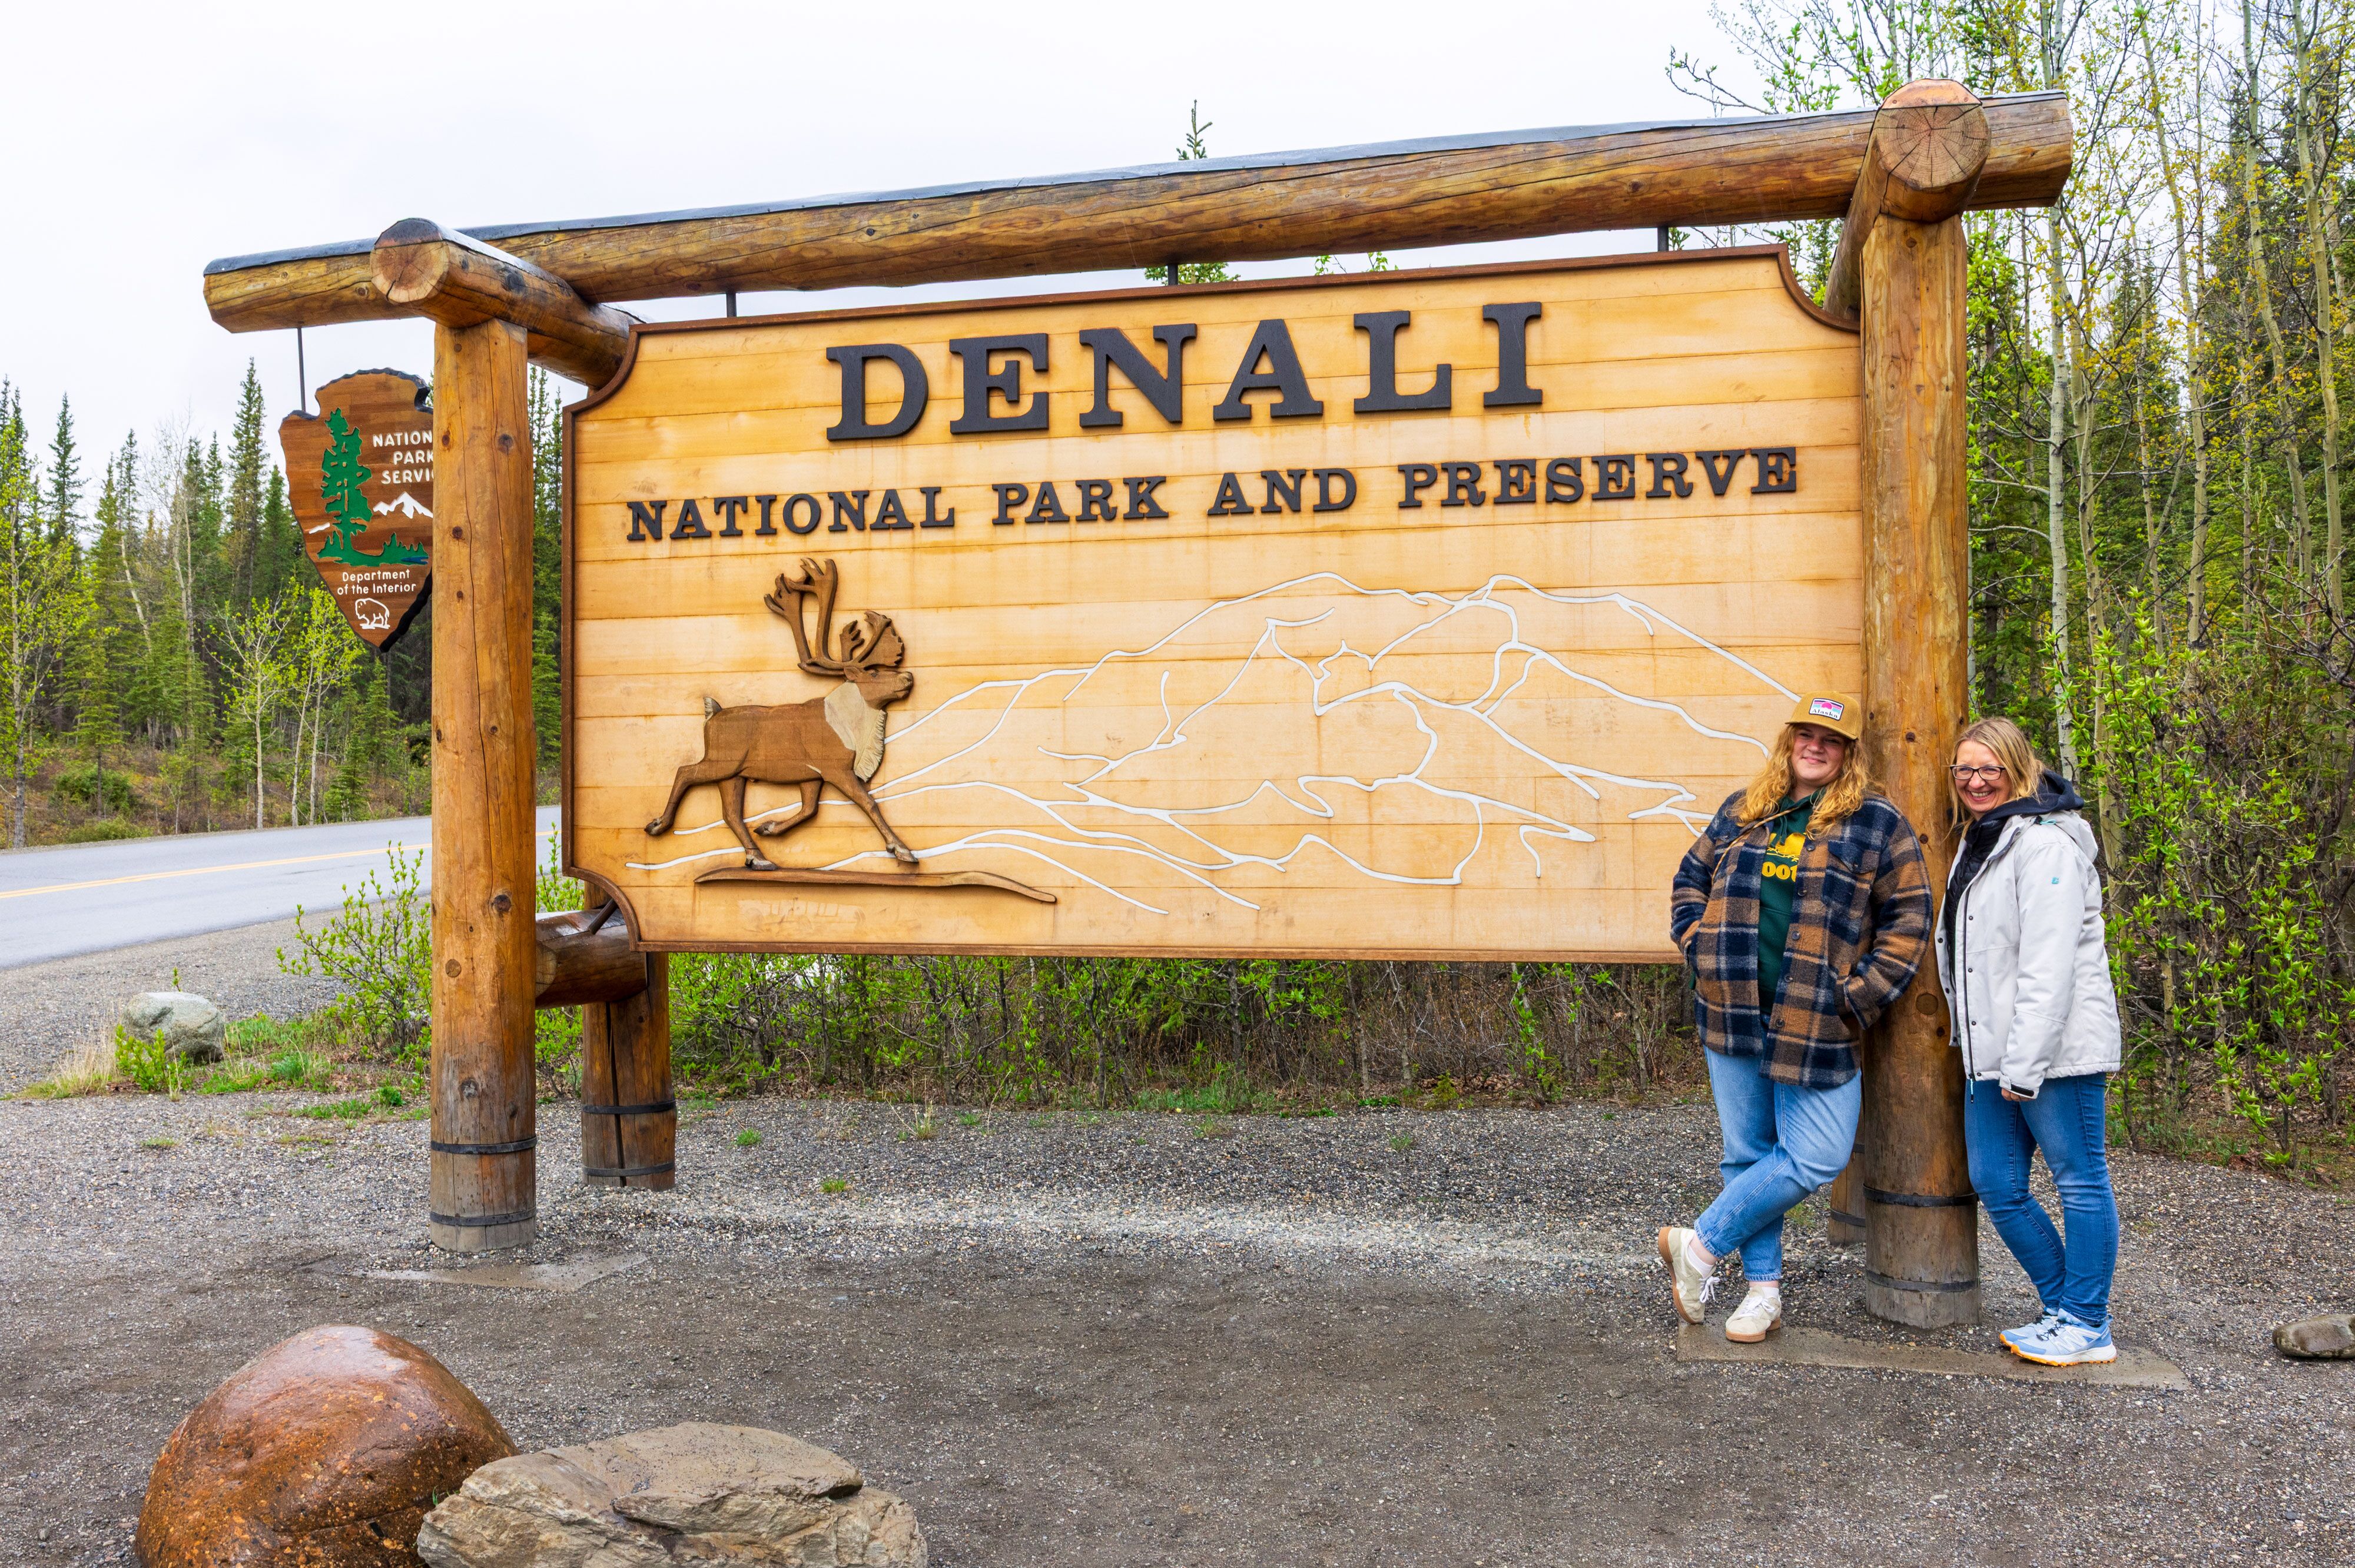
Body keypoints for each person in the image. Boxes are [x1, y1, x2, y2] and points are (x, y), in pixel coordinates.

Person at [1663, 693, 1933, 1341]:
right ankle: (1762, 1295)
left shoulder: (1875, 823)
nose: (1815, 746)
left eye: (1830, 739)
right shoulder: (1744, 810)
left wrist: (1858, 993)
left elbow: (1910, 917)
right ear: (1788, 743)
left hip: (1818, 1018)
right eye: (1804, 735)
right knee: (1747, 1155)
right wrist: (1699, 947)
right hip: (1732, 1008)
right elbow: (1688, 881)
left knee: (1815, 1155)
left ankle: (1698, 1248)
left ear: (1847, 754)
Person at [1937, 716, 2124, 1366]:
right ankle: (2063, 1307)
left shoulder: (2045, 845)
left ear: (2018, 768)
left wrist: (2025, 1064)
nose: (1975, 780)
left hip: (2056, 1054)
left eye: (1988, 767)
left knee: (2079, 1180)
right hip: (1991, 1053)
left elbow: (2048, 966)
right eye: (1963, 769)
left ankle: (2088, 1324)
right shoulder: (1980, 840)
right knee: (1996, 1181)